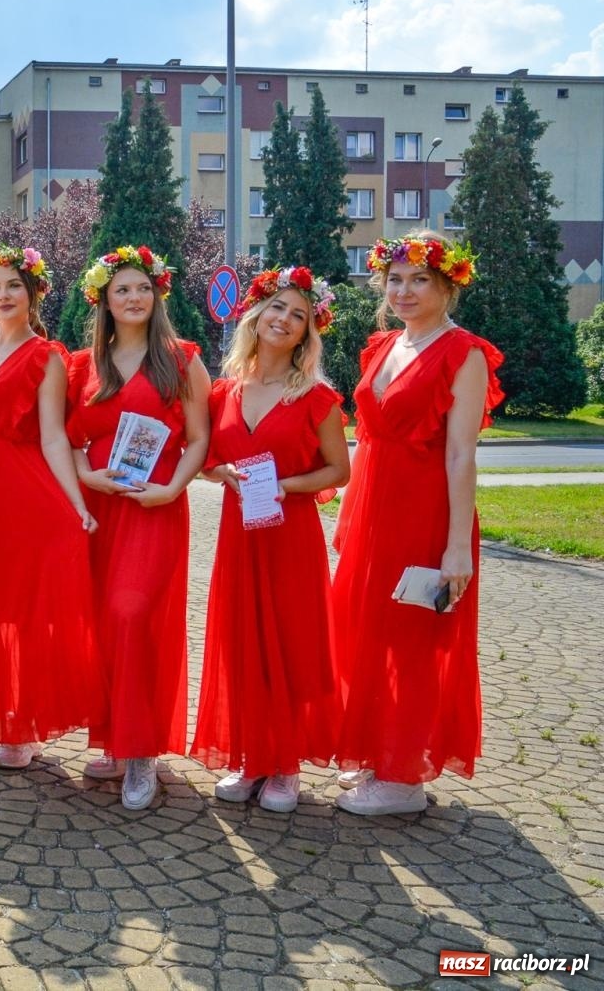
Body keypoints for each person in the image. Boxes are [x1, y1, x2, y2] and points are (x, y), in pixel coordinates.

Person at [330, 232, 502, 816]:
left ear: (447, 285)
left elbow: (461, 454)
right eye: (394, 280)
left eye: (418, 280)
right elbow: (368, 437)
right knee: (369, 632)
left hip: (426, 512)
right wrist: (347, 505)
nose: (402, 291)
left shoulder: (465, 353)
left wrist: (458, 548)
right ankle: (380, 753)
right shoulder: (383, 346)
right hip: (375, 509)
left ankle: (404, 778)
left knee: (411, 638)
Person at [191, 266, 350, 813]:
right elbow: (207, 457)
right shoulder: (225, 390)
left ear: (308, 332)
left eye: (298, 315)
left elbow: (339, 471)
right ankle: (251, 756)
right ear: (255, 316)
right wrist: (223, 473)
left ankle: (286, 766)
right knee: (243, 642)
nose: (284, 319)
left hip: (290, 536)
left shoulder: (318, 397)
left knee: (290, 642)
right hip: (239, 534)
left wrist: (285, 485)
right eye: (277, 308)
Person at [68, 246, 210, 811]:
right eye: (122, 289)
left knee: (133, 617)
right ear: (104, 298)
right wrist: (88, 477)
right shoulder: (83, 365)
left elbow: (200, 439)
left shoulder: (181, 360)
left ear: (158, 297)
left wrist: (173, 488)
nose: (134, 298)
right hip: (98, 508)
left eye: (143, 289)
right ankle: (113, 739)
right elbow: (66, 439)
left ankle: (143, 751)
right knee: (102, 624)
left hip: (154, 507)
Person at [0, 246, 105, 772]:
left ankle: (24, 726)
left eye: (13, 285)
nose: (3, 295)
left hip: (29, 496)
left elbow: (53, 438)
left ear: (33, 291)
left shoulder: (48, 356)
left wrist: (75, 502)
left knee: (26, 615)